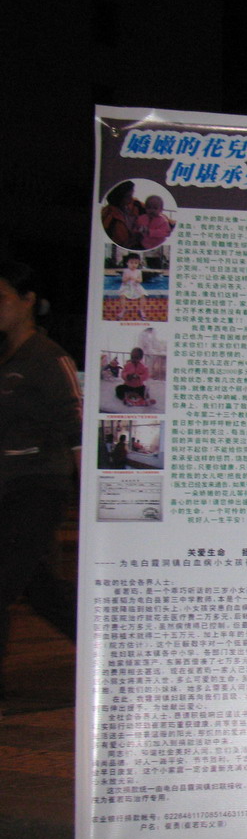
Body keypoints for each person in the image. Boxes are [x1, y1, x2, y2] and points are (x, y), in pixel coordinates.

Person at [0, 261, 82, 696]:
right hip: (8, 488)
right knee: (43, 591)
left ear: (28, 301)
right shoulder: (6, 359)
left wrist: (95, 500)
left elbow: (76, 427)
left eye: (2, 298)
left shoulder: (49, 358)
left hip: (37, 489)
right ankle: (114, 653)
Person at [100, 180, 143, 249]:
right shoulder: (108, 217)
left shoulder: (136, 204)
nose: (131, 198)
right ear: (118, 197)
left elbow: (157, 214)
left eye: (132, 195)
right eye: (128, 196)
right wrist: (133, 240)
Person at [119, 253, 147, 321]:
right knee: (122, 295)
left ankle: (141, 310)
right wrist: (128, 278)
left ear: (138, 263)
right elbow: (123, 281)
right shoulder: (126, 271)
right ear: (127, 263)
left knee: (143, 295)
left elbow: (140, 280)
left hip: (135, 286)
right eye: (131, 263)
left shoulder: (138, 271)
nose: (133, 265)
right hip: (127, 286)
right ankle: (123, 310)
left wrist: (136, 279)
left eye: (136, 263)